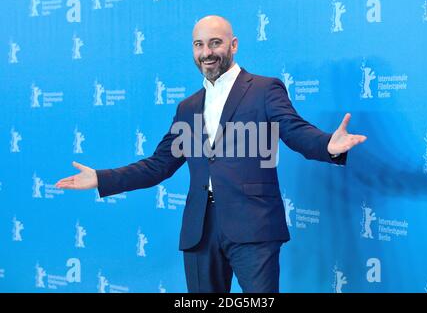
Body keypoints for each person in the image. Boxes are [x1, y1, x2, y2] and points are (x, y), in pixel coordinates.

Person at [55, 15, 367, 293]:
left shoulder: (264, 89)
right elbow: (159, 164)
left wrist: (328, 144)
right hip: (199, 230)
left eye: (215, 43)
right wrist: (100, 178)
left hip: (253, 226)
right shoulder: (187, 107)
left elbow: (295, 130)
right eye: (199, 45)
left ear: (233, 45)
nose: (206, 53)